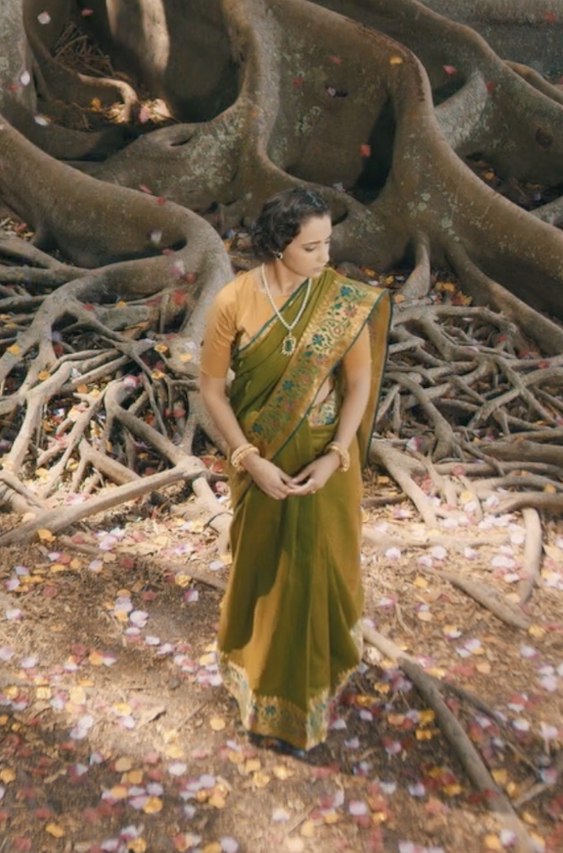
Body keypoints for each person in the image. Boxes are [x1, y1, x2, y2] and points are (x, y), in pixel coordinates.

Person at [194, 186, 391, 755]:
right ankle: (258, 682)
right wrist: (246, 459)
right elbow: (212, 386)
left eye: (328, 243)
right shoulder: (233, 299)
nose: (325, 258)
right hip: (260, 456)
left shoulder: (342, 301)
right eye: (312, 247)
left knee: (322, 566)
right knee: (264, 568)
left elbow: (358, 384)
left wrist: (336, 455)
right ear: (279, 247)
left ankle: (320, 675)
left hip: (327, 463)